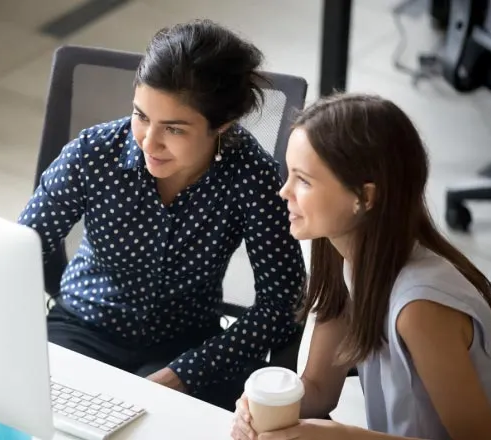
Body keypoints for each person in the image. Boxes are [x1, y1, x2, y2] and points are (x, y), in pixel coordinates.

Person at [17, 19, 306, 411]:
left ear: (222, 124)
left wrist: (188, 371)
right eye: (141, 116)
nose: (149, 142)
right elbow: (19, 251)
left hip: (186, 345)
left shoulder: (250, 175)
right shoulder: (93, 153)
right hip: (83, 327)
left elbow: (283, 301)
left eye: (174, 129)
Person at [231, 93, 491, 439]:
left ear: (365, 197)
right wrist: (261, 406)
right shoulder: (339, 255)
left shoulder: (420, 309)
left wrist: (343, 436)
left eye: (304, 180)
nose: (284, 191)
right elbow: (317, 389)